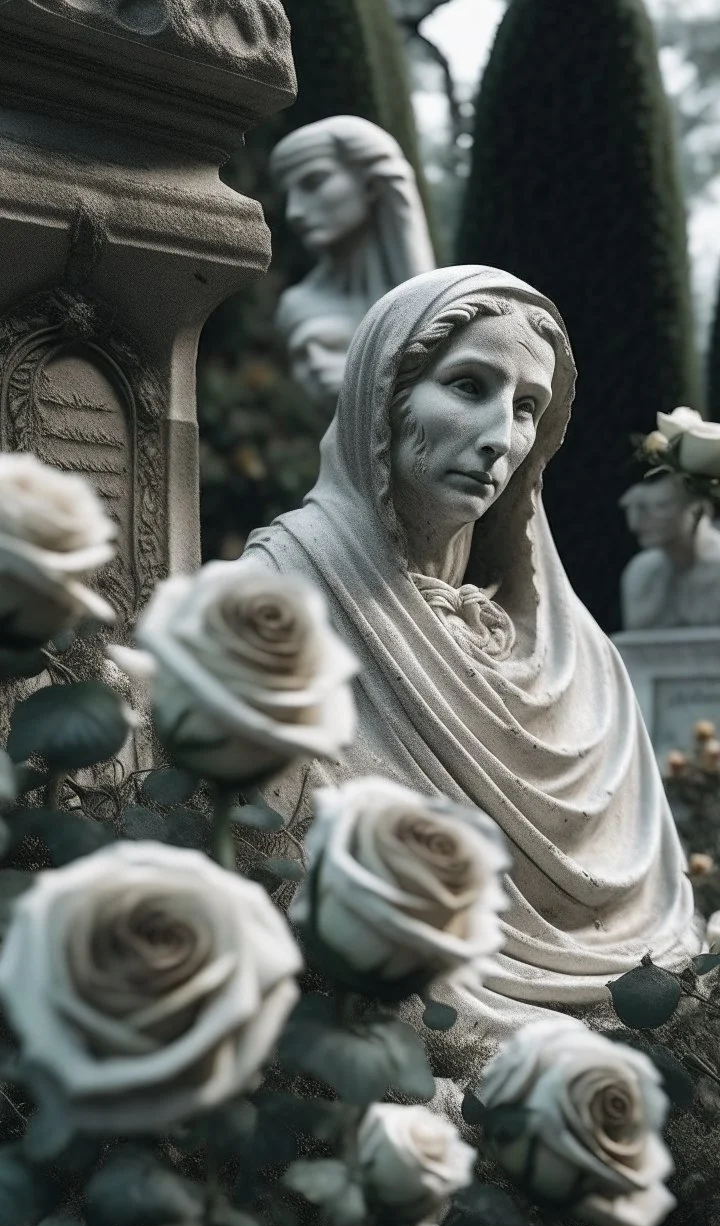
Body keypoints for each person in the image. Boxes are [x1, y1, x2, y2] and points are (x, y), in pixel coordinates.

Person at [239, 266, 697, 1048]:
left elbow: (662, 918)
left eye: (527, 409)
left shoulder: (579, 657)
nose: (498, 437)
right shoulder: (276, 599)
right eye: (468, 385)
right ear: (383, 395)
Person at [270, 116, 434, 410]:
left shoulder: (444, 300)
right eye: (288, 195)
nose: (293, 212)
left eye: (313, 182)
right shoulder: (297, 306)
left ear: (372, 183)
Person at [620, 474, 720, 628]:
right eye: (640, 507)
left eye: (662, 505)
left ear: (698, 510)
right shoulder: (642, 572)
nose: (636, 523)